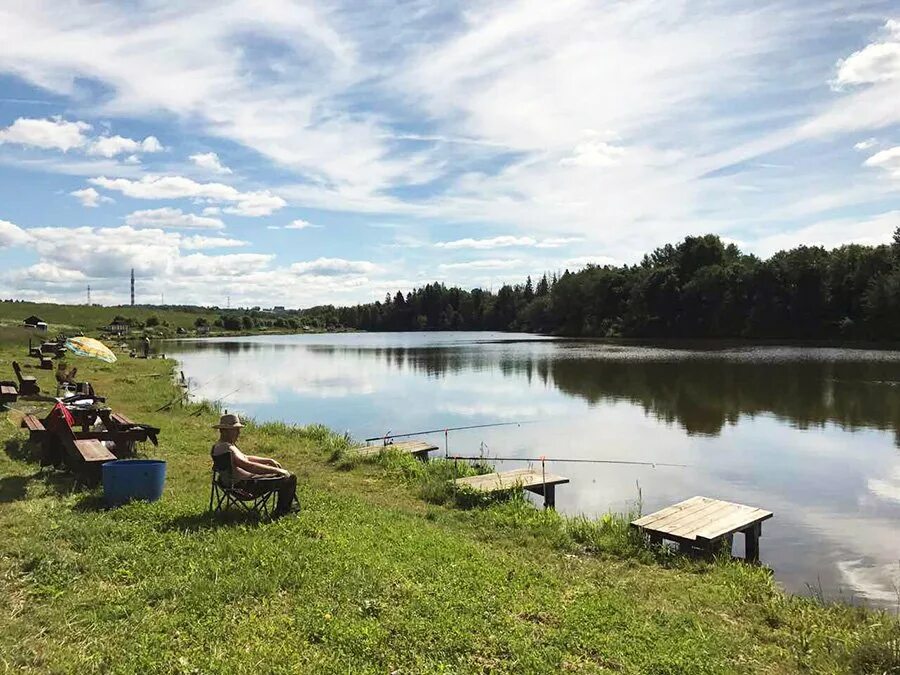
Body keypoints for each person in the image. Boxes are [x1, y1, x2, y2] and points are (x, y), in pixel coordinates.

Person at [210, 413, 297, 516]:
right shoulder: (226, 448)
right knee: (289, 477)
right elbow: (247, 465)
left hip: (237, 483)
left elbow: (246, 457)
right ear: (223, 431)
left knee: (284, 475)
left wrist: (268, 460)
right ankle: (283, 512)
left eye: (238, 429)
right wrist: (277, 470)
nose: (238, 432)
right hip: (245, 487)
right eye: (235, 430)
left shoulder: (222, 446)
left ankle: (289, 509)